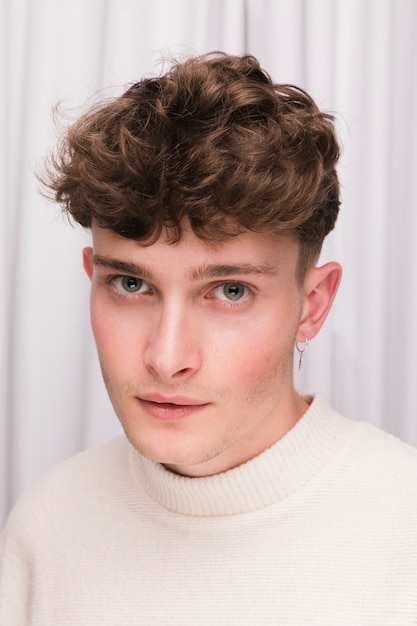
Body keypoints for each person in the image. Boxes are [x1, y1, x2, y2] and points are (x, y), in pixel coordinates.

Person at [1, 51, 416, 625]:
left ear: (312, 305)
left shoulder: (405, 533)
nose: (167, 358)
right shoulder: (47, 526)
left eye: (230, 292)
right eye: (130, 283)